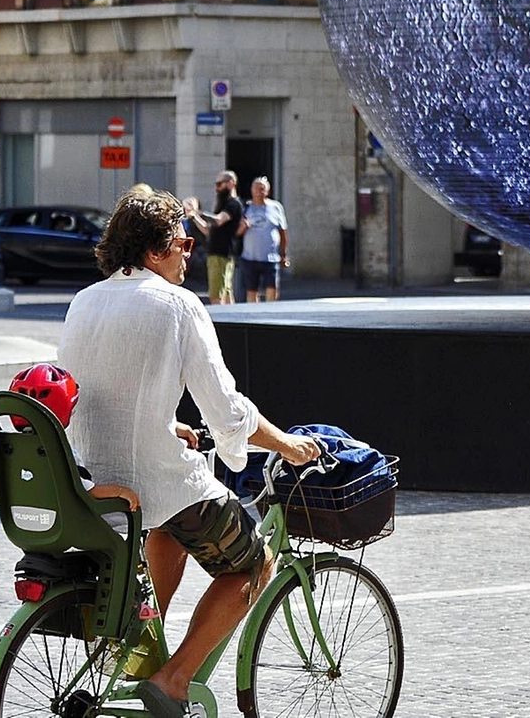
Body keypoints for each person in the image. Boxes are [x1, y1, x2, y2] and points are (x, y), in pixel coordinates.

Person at [56, 188, 320, 718]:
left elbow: (95, 391)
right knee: (254, 565)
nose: (188, 253)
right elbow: (225, 410)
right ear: (153, 252)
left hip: (97, 484)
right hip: (152, 478)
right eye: (181, 243)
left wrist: (167, 424)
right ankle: (174, 681)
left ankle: (132, 649)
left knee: (174, 530)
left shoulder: (85, 299)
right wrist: (288, 445)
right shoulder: (177, 305)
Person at [9, 364, 141, 513]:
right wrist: (121, 491)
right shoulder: (60, 451)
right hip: (67, 525)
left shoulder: (10, 449)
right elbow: (90, 492)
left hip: (24, 520)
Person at [185, 170, 244, 305]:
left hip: (221, 254)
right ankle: (232, 320)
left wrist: (197, 211)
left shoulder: (233, 204)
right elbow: (208, 230)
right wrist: (194, 216)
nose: (217, 188)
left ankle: (222, 322)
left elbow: (218, 220)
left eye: (219, 184)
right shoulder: (223, 205)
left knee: (216, 294)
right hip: (218, 253)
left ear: (231, 183)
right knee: (226, 292)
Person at [236, 177, 289, 303]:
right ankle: (253, 315)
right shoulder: (245, 208)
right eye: (256, 188)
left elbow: (283, 232)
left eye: (262, 188)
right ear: (251, 190)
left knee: (272, 289)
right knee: (251, 291)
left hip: (271, 257)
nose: (259, 191)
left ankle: (271, 314)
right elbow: (236, 233)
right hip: (250, 257)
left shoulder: (276, 207)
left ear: (268, 191)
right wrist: (243, 227)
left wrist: (284, 254)